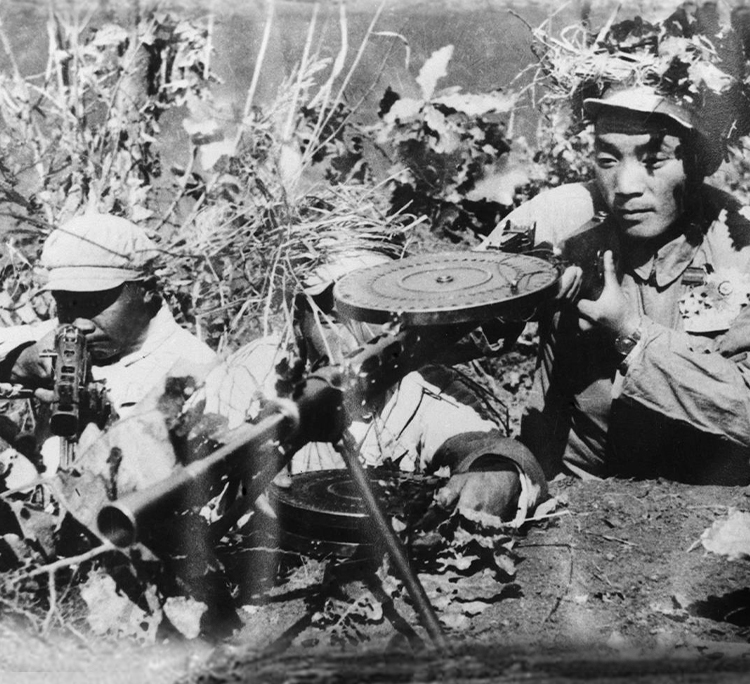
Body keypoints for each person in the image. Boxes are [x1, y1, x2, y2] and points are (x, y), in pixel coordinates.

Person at [486, 12, 750, 484]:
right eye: (608, 159)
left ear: (699, 161)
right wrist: (516, 297)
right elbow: (456, 317)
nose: (626, 186)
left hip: (706, 506)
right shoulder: (562, 217)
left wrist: (630, 332)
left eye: (654, 161)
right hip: (572, 494)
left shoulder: (739, 242)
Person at [196, 246, 546, 526]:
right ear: (300, 314)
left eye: (370, 314)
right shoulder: (253, 372)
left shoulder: (414, 384)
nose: (351, 337)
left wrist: (496, 476)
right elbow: (189, 466)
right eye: (331, 316)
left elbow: (485, 445)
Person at [0, 211, 216, 474]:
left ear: (147, 290)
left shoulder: (195, 371)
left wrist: (102, 429)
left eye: (94, 303)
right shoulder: (60, 335)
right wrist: (21, 363)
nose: (79, 324)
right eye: (65, 303)